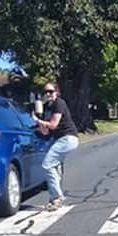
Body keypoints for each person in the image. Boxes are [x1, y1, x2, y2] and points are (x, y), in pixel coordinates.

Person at [32, 82, 79, 211]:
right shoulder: (48, 107)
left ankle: (56, 197)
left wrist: (37, 120)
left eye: (51, 91)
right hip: (60, 140)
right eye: (46, 92)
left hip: (67, 138)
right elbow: (47, 132)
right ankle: (56, 198)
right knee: (55, 168)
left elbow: (53, 124)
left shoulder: (59, 103)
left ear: (56, 92)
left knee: (47, 165)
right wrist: (39, 121)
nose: (48, 94)